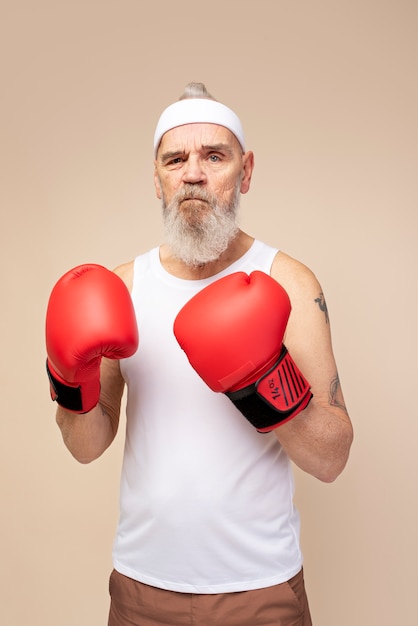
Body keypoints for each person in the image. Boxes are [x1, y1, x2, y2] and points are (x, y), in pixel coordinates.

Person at [46, 82, 354, 626]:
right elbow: (87, 446)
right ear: (158, 179)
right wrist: (68, 377)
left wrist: (265, 379)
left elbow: (331, 459)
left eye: (214, 156)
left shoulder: (289, 282)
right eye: (176, 159)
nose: (194, 173)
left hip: (260, 589)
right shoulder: (122, 288)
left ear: (246, 171)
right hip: (142, 589)